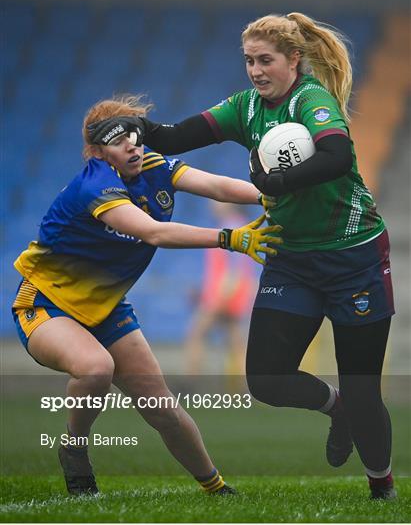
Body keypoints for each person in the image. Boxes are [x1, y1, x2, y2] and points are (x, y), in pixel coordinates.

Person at [89, 13, 397, 500]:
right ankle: (334, 409)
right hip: (291, 256)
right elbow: (176, 137)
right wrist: (138, 126)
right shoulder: (245, 107)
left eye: (265, 59)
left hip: (352, 256)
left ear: (294, 59)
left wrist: (279, 182)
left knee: (365, 391)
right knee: (266, 380)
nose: (255, 69)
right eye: (249, 60)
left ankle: (381, 487)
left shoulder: (311, 99)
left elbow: (337, 157)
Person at [12, 95, 282, 497]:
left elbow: (214, 185)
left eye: (135, 136)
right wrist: (229, 238)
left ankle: (216, 487)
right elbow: (153, 232)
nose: (134, 146)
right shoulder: (94, 185)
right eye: (120, 140)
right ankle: (74, 447)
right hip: (45, 303)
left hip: (104, 309)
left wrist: (267, 195)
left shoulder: (153, 165)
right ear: (96, 150)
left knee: (162, 408)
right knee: (95, 367)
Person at [184, 201, 257, 376]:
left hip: (224, 295)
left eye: (217, 200)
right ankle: (244, 390)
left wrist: (221, 298)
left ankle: (190, 382)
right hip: (234, 295)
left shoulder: (230, 227)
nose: (212, 203)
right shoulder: (240, 226)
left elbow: (234, 269)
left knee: (196, 334)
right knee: (236, 343)